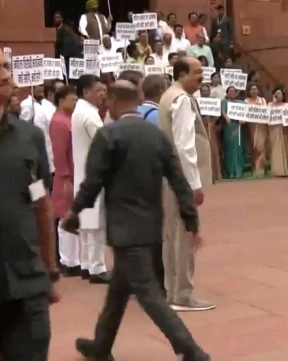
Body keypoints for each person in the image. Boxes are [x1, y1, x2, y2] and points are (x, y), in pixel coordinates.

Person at [62, 80, 211, 361]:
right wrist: (191, 220)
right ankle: (101, 346)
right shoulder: (156, 136)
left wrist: (75, 212)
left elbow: (92, 182)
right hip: (151, 226)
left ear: (114, 102)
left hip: (124, 229)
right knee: (118, 292)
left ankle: (191, 350)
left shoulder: (109, 136)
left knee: (149, 295)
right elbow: (179, 180)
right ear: (139, 98)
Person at [0, 60, 60, 361]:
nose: (6, 72)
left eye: (6, 65)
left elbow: (40, 202)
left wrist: (49, 270)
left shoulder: (29, 137)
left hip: (27, 280)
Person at [158, 57, 215, 312]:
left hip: (169, 176)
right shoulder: (181, 100)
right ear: (181, 74)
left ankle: (172, 291)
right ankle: (183, 294)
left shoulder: (169, 95)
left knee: (171, 236)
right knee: (184, 235)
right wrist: (194, 183)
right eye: (196, 72)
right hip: (180, 178)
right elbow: (184, 145)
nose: (201, 77)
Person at [71, 74, 111, 284]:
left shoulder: (80, 111)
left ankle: (87, 264)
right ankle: (97, 267)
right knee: (94, 224)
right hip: (93, 173)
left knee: (87, 225)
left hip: (83, 171)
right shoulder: (90, 115)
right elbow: (103, 143)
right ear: (86, 92)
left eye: (104, 90)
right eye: (98, 91)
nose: (102, 94)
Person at [49, 85, 80, 277]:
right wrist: (66, 176)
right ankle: (67, 259)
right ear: (61, 100)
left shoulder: (69, 119)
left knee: (71, 214)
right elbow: (60, 153)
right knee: (64, 216)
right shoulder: (59, 122)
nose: (75, 102)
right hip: (65, 175)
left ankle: (72, 257)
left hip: (72, 173)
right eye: (72, 99)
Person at [220, 86, 244, 179]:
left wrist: (243, 120)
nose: (232, 93)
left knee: (238, 148)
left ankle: (238, 171)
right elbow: (222, 111)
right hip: (229, 127)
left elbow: (245, 114)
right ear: (227, 93)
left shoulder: (241, 103)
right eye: (230, 91)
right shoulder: (223, 102)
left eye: (234, 91)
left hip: (239, 127)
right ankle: (230, 171)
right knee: (229, 149)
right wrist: (226, 117)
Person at [245, 84, 268, 177]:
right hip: (252, 125)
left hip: (261, 125)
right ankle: (255, 168)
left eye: (255, 89)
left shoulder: (262, 100)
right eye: (252, 89)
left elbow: (266, 111)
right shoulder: (246, 101)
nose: (254, 91)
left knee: (261, 146)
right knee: (254, 146)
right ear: (249, 91)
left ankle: (261, 169)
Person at [268, 87, 288, 177]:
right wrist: (274, 104)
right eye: (276, 93)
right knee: (275, 149)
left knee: (285, 148)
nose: (278, 95)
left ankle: (286, 170)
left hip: (284, 129)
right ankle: (277, 170)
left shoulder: (287, 106)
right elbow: (267, 115)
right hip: (274, 129)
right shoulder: (270, 105)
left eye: (280, 93)